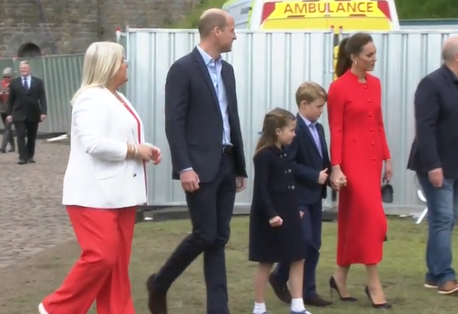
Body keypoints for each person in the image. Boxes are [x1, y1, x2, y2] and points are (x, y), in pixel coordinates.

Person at [37, 41, 162, 314]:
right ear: (107, 65)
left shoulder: (117, 96)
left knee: (117, 265)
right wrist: (133, 150)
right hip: (93, 194)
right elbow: (93, 143)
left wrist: (145, 150)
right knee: (101, 256)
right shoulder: (90, 97)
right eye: (122, 60)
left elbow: (121, 136)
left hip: (121, 195)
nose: (126, 64)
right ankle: (55, 309)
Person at [146, 8, 247, 314]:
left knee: (218, 238)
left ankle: (219, 309)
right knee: (204, 234)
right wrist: (185, 166)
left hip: (227, 164)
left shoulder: (227, 71)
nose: (235, 35)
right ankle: (160, 282)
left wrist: (240, 166)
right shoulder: (183, 69)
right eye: (231, 29)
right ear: (216, 31)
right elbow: (174, 122)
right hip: (199, 168)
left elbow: (232, 118)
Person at [407, 35, 458, 295]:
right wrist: (433, 165)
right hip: (438, 167)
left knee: (447, 219)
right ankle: (445, 276)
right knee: (443, 218)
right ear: (457, 56)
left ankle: (433, 274)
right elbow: (425, 127)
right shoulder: (431, 85)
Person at [326, 32, 393, 309]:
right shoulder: (339, 88)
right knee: (373, 221)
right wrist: (336, 167)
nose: (374, 59)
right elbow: (336, 129)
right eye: (369, 55)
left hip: (373, 158)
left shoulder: (375, 84)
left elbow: (379, 123)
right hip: (351, 162)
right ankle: (373, 284)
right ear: (354, 57)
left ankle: (339, 277)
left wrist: (388, 159)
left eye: (375, 54)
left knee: (355, 222)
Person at [269, 82, 332, 307]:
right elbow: (289, 163)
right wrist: (313, 175)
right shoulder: (293, 131)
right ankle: (279, 276)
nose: (321, 111)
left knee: (314, 243)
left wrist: (332, 174)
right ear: (304, 105)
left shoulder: (320, 129)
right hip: (298, 196)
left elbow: (323, 158)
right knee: (302, 241)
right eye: (318, 106)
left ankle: (308, 289)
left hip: (315, 196)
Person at [249, 107, 311, 314]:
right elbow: (261, 191)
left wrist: (295, 210)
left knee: (298, 257)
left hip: (288, 215)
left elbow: (287, 187)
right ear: (278, 131)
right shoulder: (264, 156)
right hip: (270, 217)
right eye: (291, 130)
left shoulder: (283, 153)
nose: (294, 134)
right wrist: (271, 214)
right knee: (266, 263)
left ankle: (298, 305)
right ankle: (259, 307)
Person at [6, 61, 47, 164]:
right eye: (22, 68)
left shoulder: (38, 82)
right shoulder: (15, 83)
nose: (23, 70)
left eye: (25, 68)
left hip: (33, 113)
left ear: (29, 69)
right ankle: (22, 157)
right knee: (20, 134)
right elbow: (10, 99)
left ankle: (30, 155)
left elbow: (42, 98)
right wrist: (9, 114)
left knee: (31, 136)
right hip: (18, 113)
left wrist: (43, 112)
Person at [0, 67, 15, 153]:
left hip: (11, 109)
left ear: (11, 76)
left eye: (8, 77)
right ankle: (12, 146)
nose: (6, 79)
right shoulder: (1, 84)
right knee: (7, 128)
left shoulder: (14, 84)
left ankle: (3, 147)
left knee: (7, 128)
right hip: (2, 109)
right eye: (5, 77)